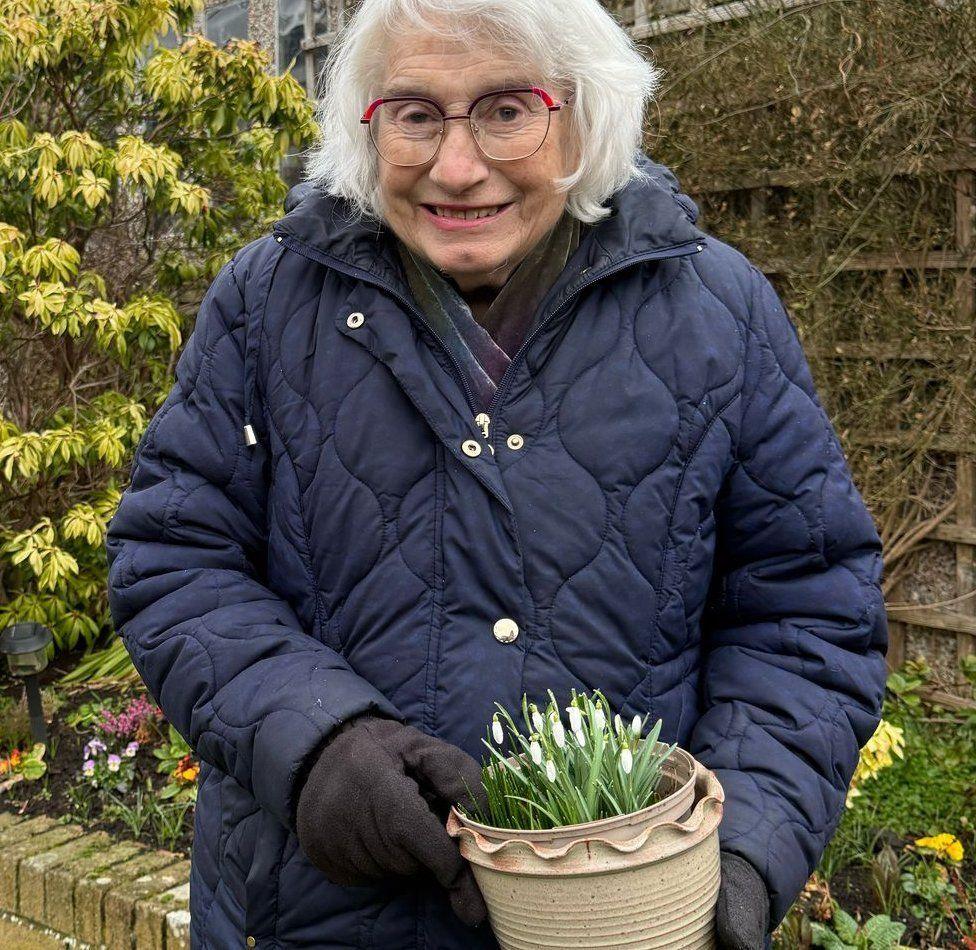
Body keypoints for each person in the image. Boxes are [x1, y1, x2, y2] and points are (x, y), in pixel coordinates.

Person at [105, 0, 890, 947]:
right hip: (311, 915)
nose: (457, 165)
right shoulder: (269, 301)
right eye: (415, 113)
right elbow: (174, 557)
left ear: (585, 116)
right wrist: (315, 743)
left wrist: (740, 851)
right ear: (368, 123)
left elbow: (806, 611)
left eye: (507, 110)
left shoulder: (718, 311)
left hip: (619, 923)